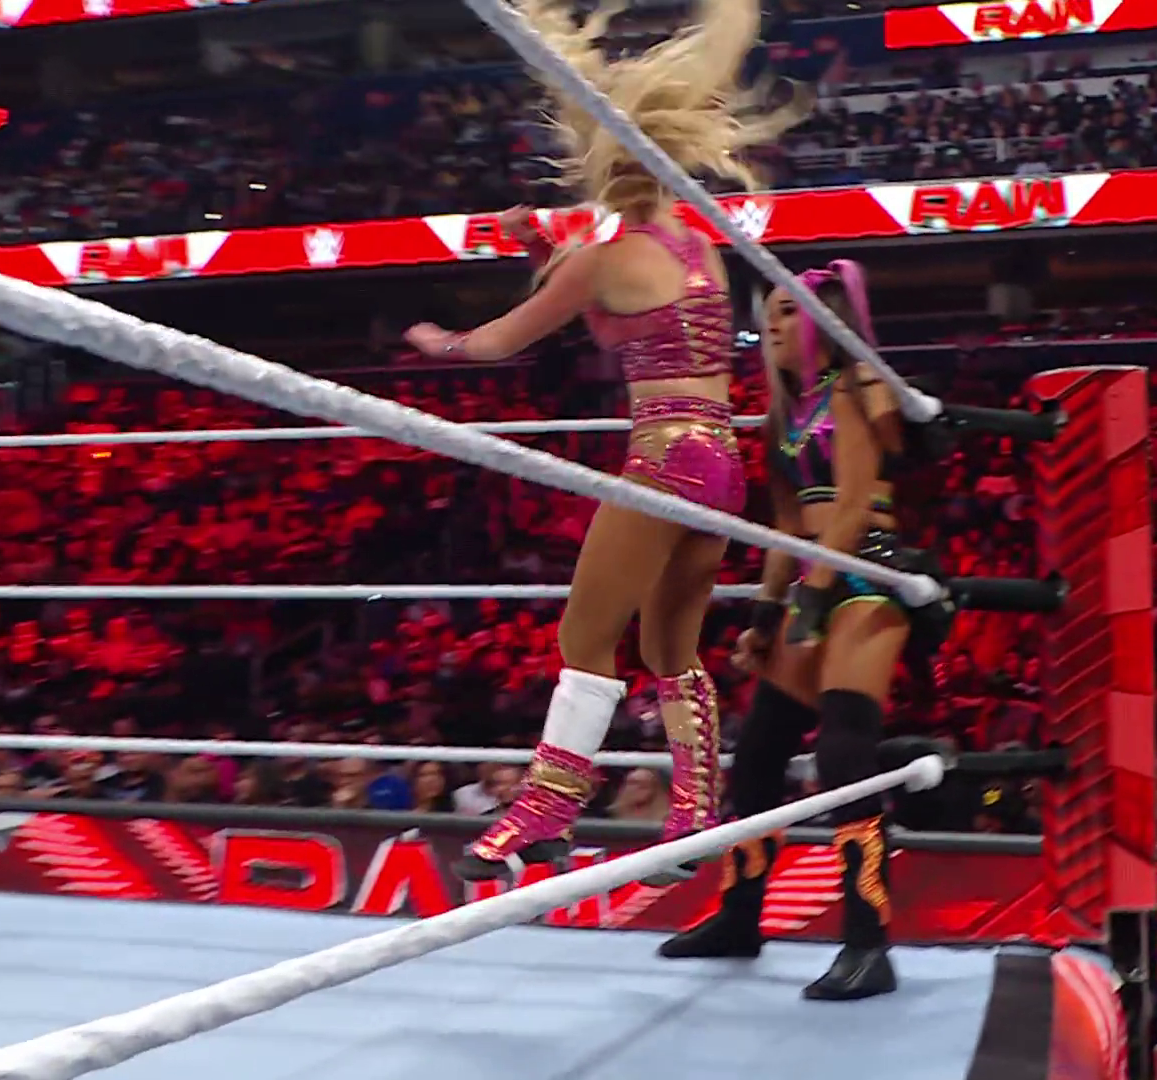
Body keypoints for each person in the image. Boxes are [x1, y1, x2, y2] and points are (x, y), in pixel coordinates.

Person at [401, 0, 800, 882]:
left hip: (663, 456)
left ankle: (546, 809)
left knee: (584, 638)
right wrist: (540, 245)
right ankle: (693, 817)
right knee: (671, 652)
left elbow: (501, 341)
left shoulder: (601, 258)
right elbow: (618, 296)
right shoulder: (695, 249)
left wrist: (441, 343)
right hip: (720, 459)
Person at [656, 263, 937, 1001]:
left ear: (824, 318)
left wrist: (807, 604)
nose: (773, 325)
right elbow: (788, 524)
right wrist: (766, 613)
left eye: (788, 310)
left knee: (844, 751)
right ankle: (739, 917)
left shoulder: (859, 386)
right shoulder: (784, 412)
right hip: (814, 574)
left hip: (867, 573)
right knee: (757, 755)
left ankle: (868, 944)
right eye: (769, 313)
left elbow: (851, 506)